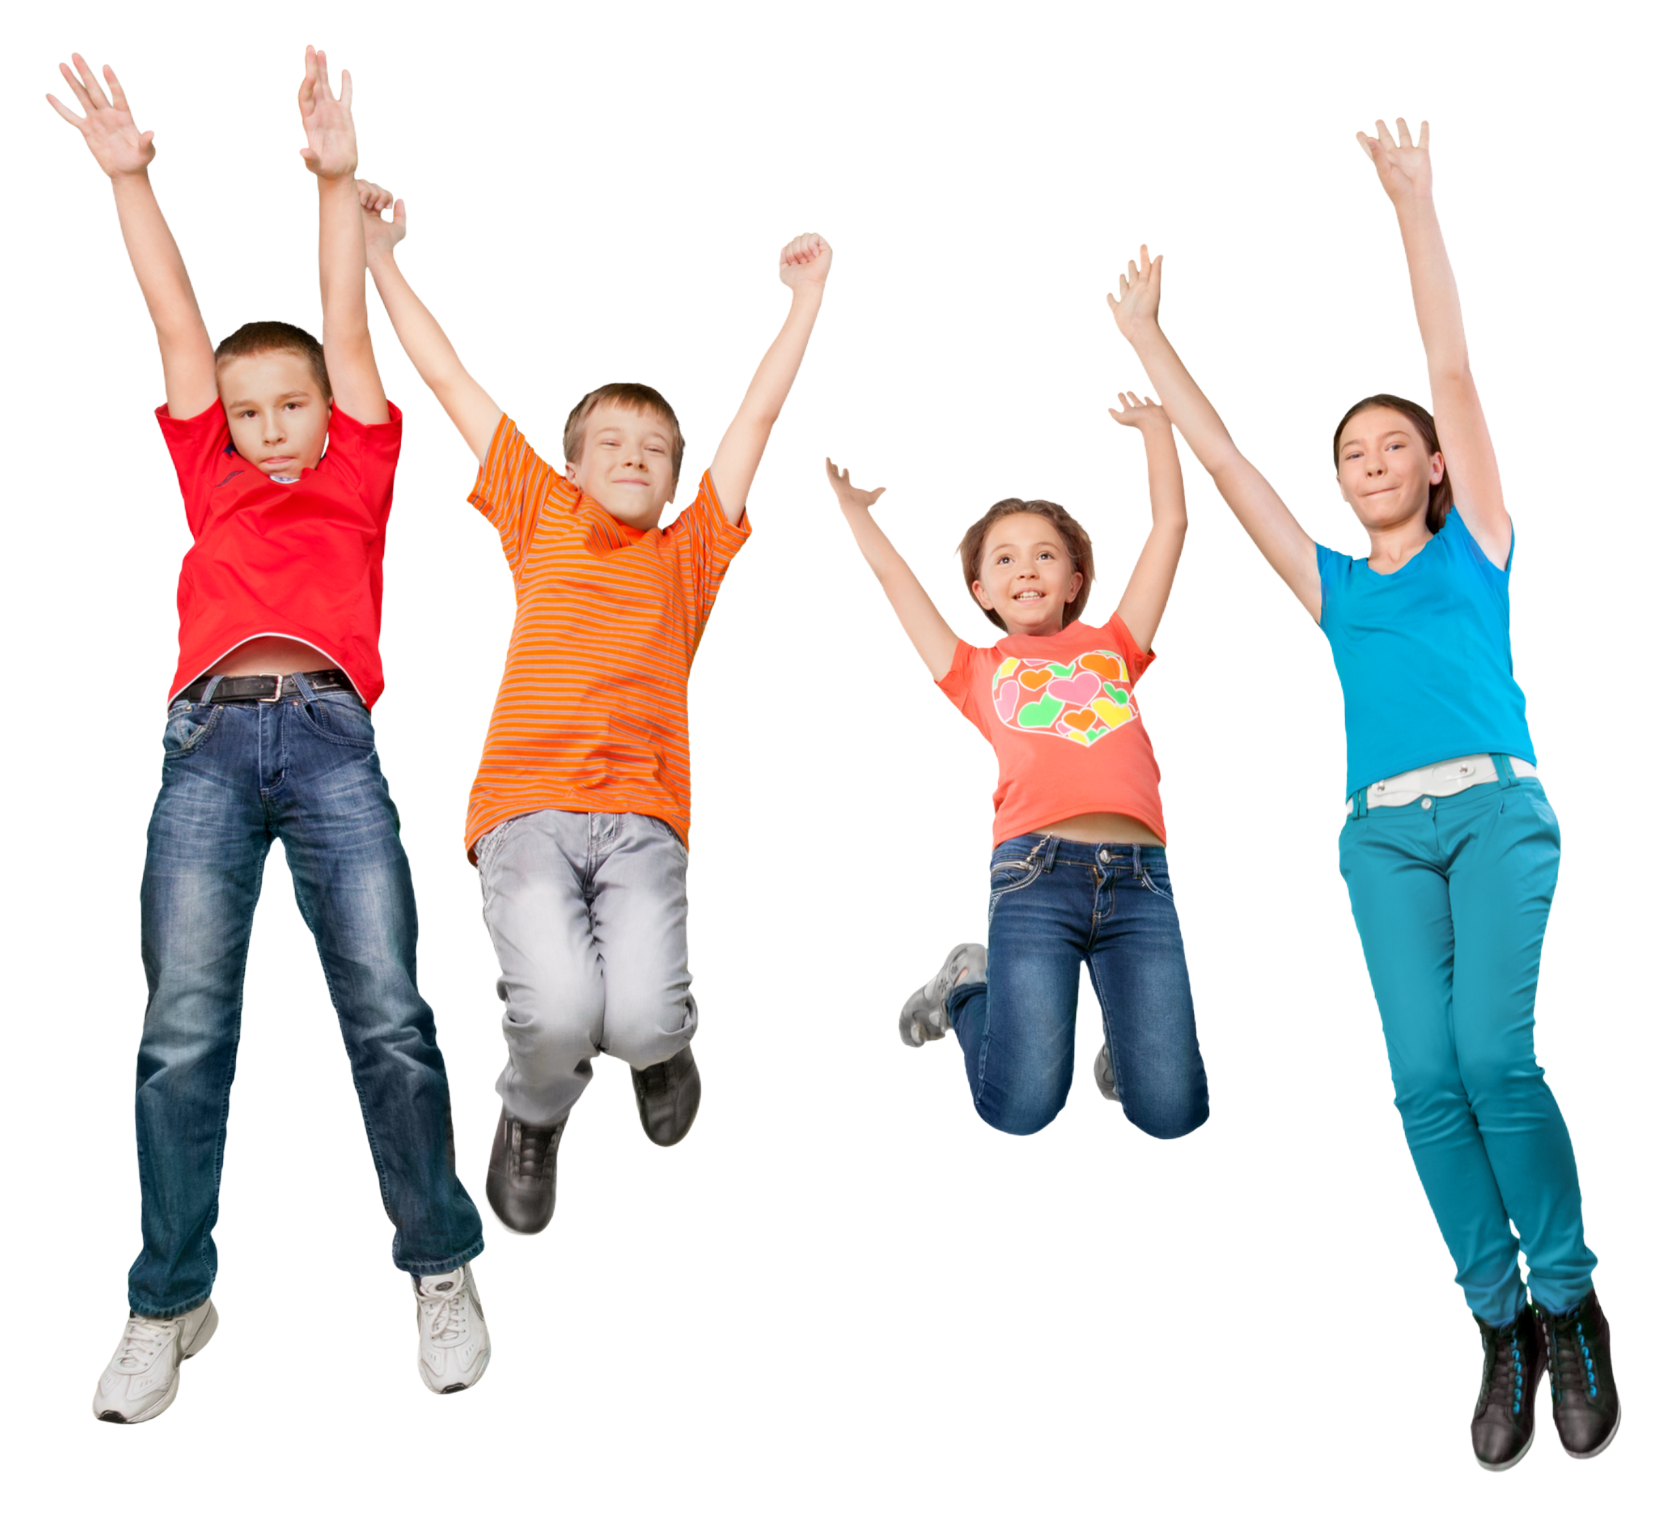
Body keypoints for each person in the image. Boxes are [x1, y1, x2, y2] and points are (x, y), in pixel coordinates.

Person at [1107, 115, 1621, 1470]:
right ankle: (1496, 1319)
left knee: (1492, 1056)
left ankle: (1571, 1304)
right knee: (1420, 1085)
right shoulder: (1333, 587)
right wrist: (1150, 336)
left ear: (1435, 466)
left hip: (1499, 816)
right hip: (1381, 841)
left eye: (1392, 447)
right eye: (1350, 456)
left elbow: (1449, 366)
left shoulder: (1479, 546)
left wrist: (1411, 196)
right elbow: (1227, 463)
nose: (1371, 463)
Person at [47, 45, 492, 1425]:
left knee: (389, 1016)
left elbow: (343, 326)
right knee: (182, 1028)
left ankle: (440, 1266)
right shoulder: (212, 473)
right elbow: (175, 322)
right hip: (204, 750)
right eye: (248, 415)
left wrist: (335, 178)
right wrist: (131, 180)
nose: (271, 427)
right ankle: (169, 1299)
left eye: (289, 403)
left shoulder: (359, 464)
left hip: (334, 743)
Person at [350, 174, 833, 1237]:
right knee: (559, 1015)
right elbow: (449, 378)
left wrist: (803, 303)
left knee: (648, 1015)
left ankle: (662, 1053)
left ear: (674, 481)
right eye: (610, 444)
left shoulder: (691, 552)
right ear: (569, 468)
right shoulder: (541, 516)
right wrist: (383, 259)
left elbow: (754, 422)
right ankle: (533, 1115)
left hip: (645, 817)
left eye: (655, 451)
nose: (633, 457)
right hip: (524, 810)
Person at [823, 378, 1211, 1143]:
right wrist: (857, 515)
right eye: (1004, 560)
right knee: (1019, 1110)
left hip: (1139, 878)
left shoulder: (1114, 645)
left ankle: (1132, 1042)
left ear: (1075, 581)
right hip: (1034, 874)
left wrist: (1156, 433)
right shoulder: (975, 669)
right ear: (981, 591)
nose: (1026, 568)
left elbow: (1170, 526)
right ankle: (968, 981)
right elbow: (900, 589)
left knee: (1173, 1115)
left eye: (1044, 555)